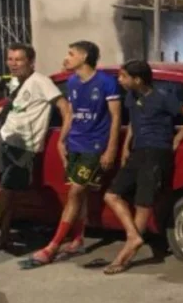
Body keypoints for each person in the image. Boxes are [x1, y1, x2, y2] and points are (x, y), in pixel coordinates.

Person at [102, 60, 183, 274]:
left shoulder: (162, 97)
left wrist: (177, 139)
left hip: (156, 153)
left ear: (137, 79)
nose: (120, 80)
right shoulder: (132, 97)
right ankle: (134, 235)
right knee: (111, 195)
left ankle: (125, 255)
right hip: (138, 151)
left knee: (143, 203)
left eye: (123, 77)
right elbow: (134, 123)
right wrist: (128, 145)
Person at [29, 41, 121, 266]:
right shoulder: (71, 82)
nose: (67, 58)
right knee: (79, 193)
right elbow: (71, 113)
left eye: (71, 54)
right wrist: (62, 139)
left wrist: (111, 148)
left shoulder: (106, 83)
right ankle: (78, 237)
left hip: (94, 146)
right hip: (75, 144)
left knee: (75, 192)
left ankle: (53, 246)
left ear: (84, 56)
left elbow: (116, 118)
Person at [0, 43, 71, 252]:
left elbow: (65, 108)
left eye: (18, 60)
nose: (13, 64)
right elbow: (19, 107)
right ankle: (4, 238)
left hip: (24, 147)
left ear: (30, 61)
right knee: (7, 193)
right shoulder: (18, 83)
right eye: (10, 59)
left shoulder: (42, 82)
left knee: (7, 190)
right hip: (6, 141)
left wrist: (63, 138)